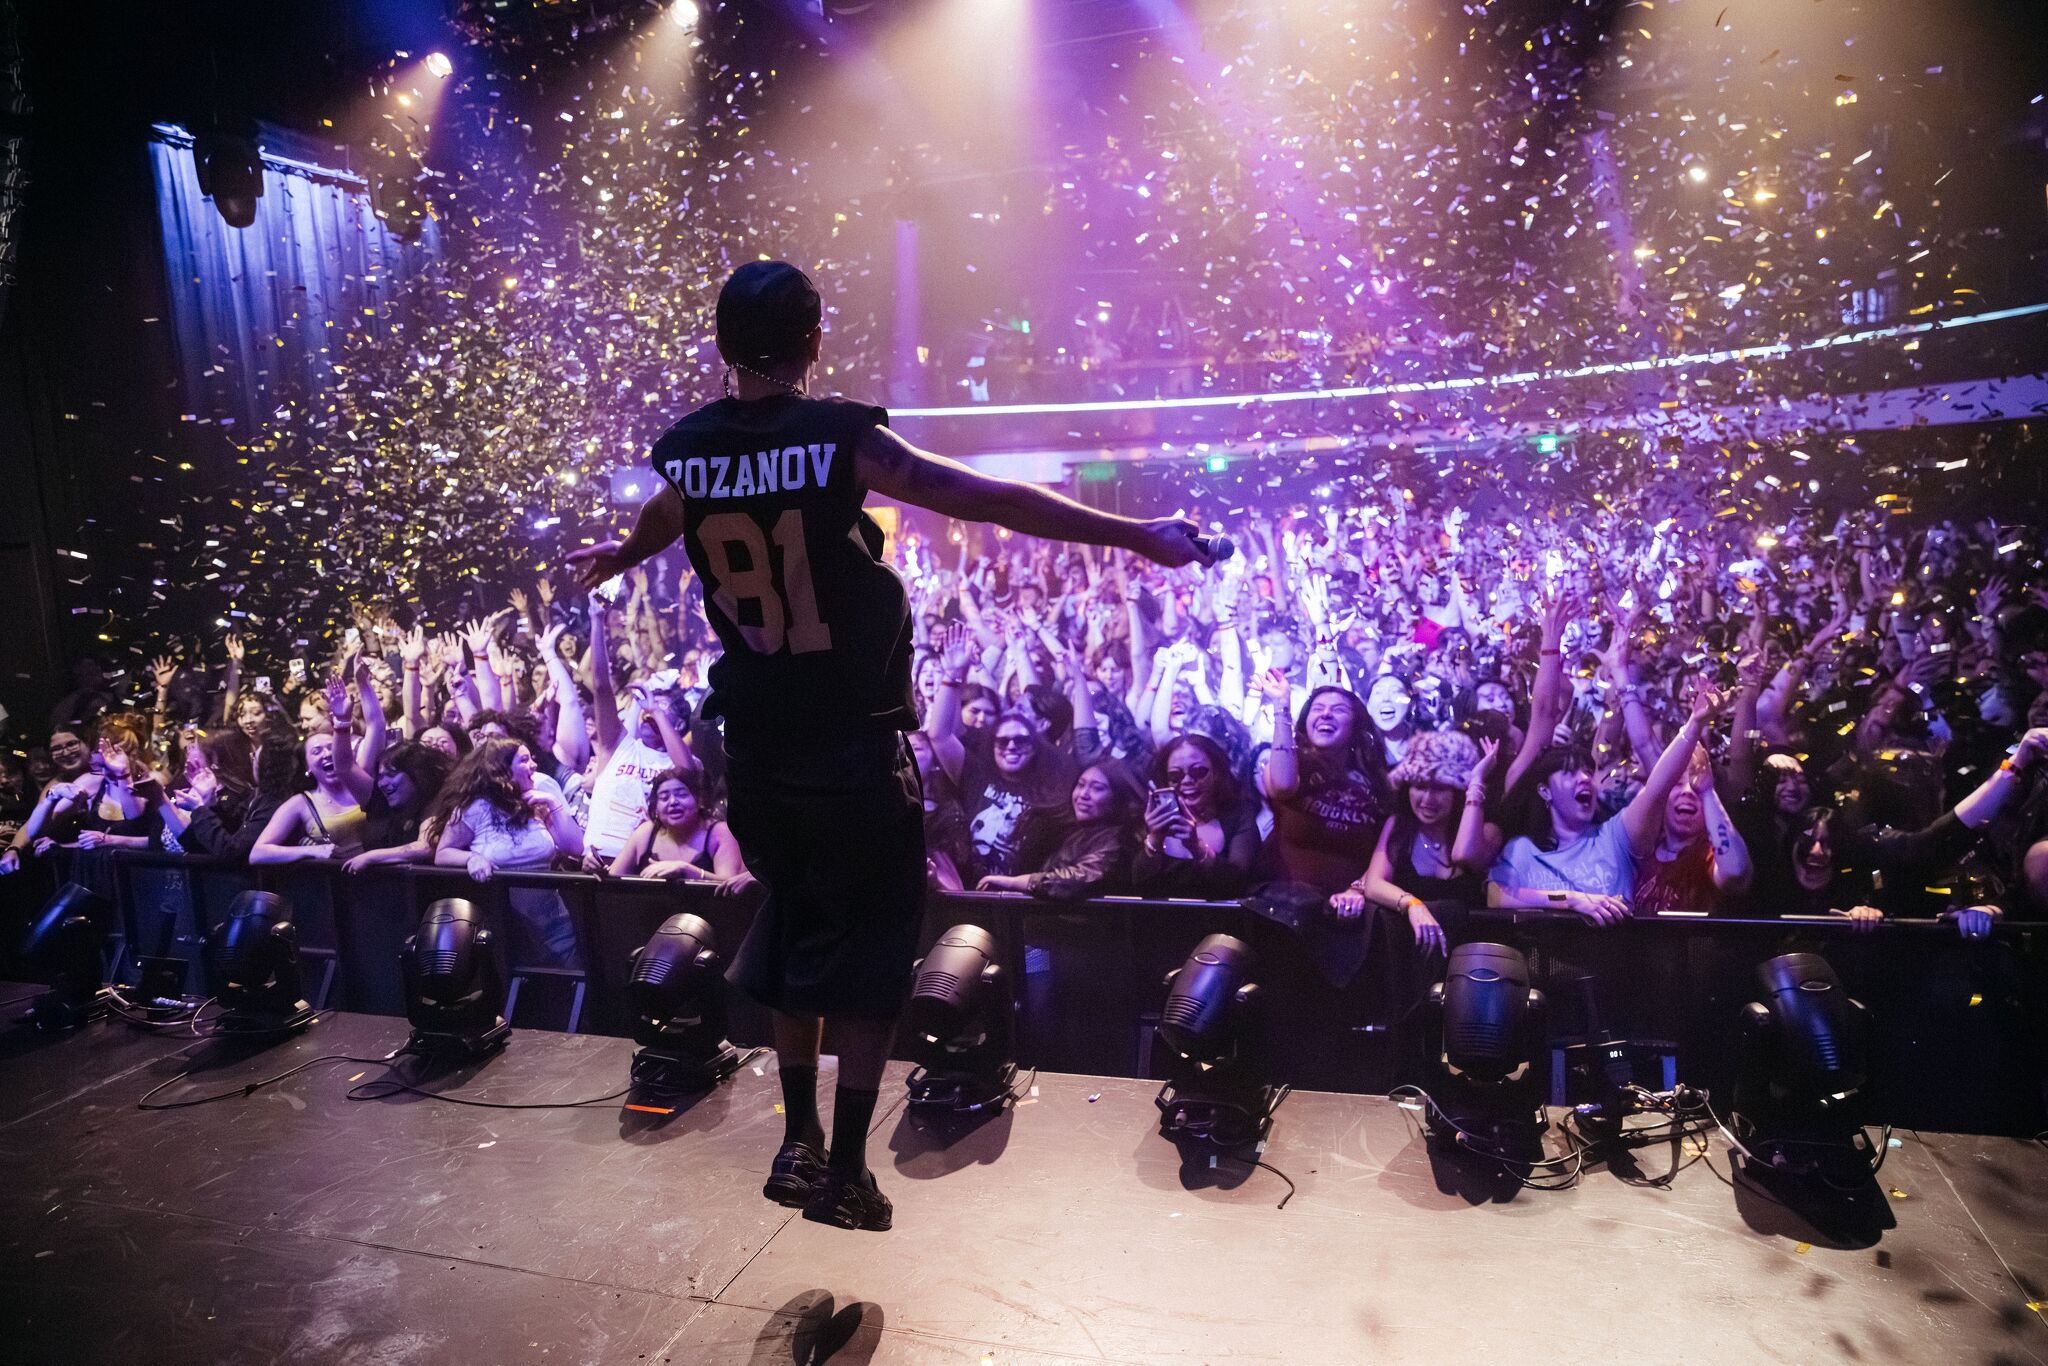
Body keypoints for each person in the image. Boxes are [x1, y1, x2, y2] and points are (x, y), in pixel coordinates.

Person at [568, 259, 1211, 1231]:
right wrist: (1134, 534)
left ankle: (796, 1137)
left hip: (758, 747)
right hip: (854, 748)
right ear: (813, 340)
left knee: (791, 927)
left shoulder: (688, 450)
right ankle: (849, 1167)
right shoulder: (838, 438)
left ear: (721, 343)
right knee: (868, 951)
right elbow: (979, 497)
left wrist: (623, 552)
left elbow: (670, 509)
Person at [430, 738, 586, 964]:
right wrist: (472, 858)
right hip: (506, 925)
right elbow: (443, 854)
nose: (533, 765)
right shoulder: (475, 809)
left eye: (532, 758)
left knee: (567, 985)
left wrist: (553, 802)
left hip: (554, 922)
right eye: (524, 760)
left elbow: (575, 847)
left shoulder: (537, 803)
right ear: (502, 769)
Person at [1130, 732, 1260, 899]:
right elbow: (1138, 885)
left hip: (1220, 921)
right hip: (1164, 921)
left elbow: (1237, 883)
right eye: (1175, 776)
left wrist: (1197, 847)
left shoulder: (1238, 814)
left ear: (1216, 773)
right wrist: (1154, 839)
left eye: (1198, 772)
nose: (1186, 781)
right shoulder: (1154, 819)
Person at [607, 766, 751, 889]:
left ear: (698, 800)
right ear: (655, 807)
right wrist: (596, 869)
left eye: (681, 795)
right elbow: (612, 878)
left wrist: (686, 870)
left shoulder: (719, 832)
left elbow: (731, 885)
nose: (673, 802)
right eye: (664, 797)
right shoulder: (646, 832)